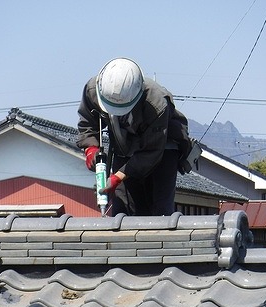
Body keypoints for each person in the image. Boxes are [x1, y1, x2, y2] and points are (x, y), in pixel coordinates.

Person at [77, 57, 191, 216]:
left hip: (161, 149)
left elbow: (151, 151)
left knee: (159, 213)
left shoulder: (156, 102)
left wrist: (117, 177)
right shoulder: (93, 90)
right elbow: (87, 123)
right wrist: (90, 148)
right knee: (123, 210)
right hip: (123, 147)